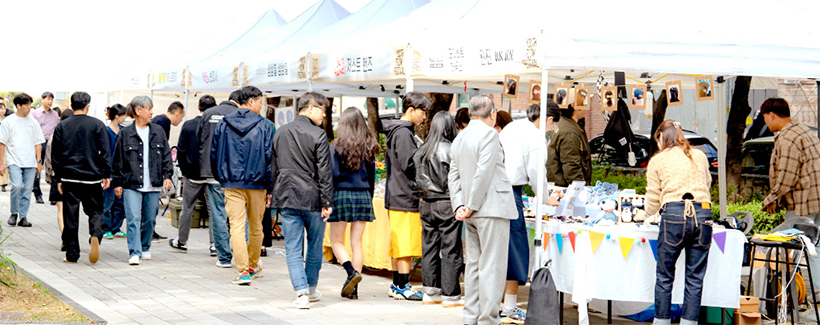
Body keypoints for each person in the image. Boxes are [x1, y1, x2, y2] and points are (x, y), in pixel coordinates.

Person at [448, 95, 517, 325]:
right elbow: (484, 172)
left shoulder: (460, 137)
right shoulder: (490, 134)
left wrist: (461, 205)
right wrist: (471, 205)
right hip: (491, 207)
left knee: (474, 266)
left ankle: (471, 317)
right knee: (492, 268)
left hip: (471, 211)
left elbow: (453, 175)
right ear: (492, 113)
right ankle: (488, 320)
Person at [496, 102, 560, 323]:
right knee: (516, 249)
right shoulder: (535, 136)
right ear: (549, 119)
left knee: (498, 249)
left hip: (496, 191)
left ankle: (496, 305)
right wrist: (545, 197)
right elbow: (536, 171)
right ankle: (509, 308)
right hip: (511, 193)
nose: (551, 129)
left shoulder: (512, 127)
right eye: (553, 125)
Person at [645, 120, 712, 325]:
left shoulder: (658, 160)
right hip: (703, 214)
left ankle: (662, 321)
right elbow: (707, 184)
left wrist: (645, 214)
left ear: (661, 138)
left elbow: (653, 198)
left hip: (674, 214)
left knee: (665, 276)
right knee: (695, 277)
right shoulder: (700, 156)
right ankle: (689, 322)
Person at [272, 92, 333, 309]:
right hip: (313, 196)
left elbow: (273, 167)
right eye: (322, 110)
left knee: (292, 246)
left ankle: (301, 293)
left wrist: (272, 191)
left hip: (286, 194)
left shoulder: (280, 132)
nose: (324, 115)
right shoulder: (318, 135)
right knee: (315, 244)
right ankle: (312, 288)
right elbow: (325, 171)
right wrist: (327, 202)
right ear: (310, 108)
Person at [212, 86, 274, 285]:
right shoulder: (265, 126)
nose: (261, 106)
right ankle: (252, 265)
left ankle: (243, 271)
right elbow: (270, 158)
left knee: (236, 226)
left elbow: (214, 153)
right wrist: (270, 187)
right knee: (256, 226)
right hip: (257, 183)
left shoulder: (223, 124)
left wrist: (222, 178)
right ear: (251, 102)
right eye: (260, 102)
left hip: (231, 182)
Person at [759, 98, 820, 294]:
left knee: (791, 249)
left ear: (771, 115)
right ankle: (817, 292)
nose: (765, 123)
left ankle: (792, 295)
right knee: (815, 246)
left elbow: (787, 176)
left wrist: (771, 198)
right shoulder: (805, 131)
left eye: (764, 118)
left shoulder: (788, 138)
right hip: (816, 199)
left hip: (801, 203)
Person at [51, 92, 111, 264]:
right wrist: (106, 174)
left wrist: (59, 178)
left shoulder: (62, 126)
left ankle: (72, 254)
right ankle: (95, 234)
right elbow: (105, 152)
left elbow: (56, 155)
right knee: (96, 211)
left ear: (71, 106)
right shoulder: (98, 125)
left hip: (70, 177)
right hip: (92, 177)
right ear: (87, 106)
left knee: (70, 216)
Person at [112, 96, 173, 266]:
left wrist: (167, 176)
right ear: (138, 111)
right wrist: (117, 183)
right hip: (131, 183)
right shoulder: (125, 133)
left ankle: (145, 246)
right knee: (133, 218)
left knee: (150, 219)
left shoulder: (158, 131)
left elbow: (166, 156)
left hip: (153, 183)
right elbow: (117, 160)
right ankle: (135, 252)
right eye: (148, 108)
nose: (152, 112)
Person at [413, 111, 464, 307]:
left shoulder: (421, 150)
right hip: (447, 202)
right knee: (450, 248)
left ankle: (430, 291)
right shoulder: (452, 149)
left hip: (425, 202)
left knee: (429, 247)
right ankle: (450, 294)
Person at [383, 91, 430, 301]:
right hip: (404, 194)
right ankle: (403, 286)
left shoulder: (398, 130)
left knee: (398, 243)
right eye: (423, 112)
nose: (424, 117)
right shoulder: (403, 133)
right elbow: (409, 165)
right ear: (411, 110)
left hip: (397, 193)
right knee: (405, 243)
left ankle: (396, 285)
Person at [328, 107, 379, 300]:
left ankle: (351, 272)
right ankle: (354, 290)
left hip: (341, 194)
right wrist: (369, 197)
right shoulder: (369, 146)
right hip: (363, 195)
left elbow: (332, 174)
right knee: (357, 243)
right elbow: (372, 177)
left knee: (336, 241)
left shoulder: (336, 146)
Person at [196, 90, 240, 268]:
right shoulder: (240, 114)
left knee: (218, 214)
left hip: (212, 172)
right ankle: (242, 255)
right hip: (236, 175)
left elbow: (200, 138)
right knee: (239, 216)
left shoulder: (208, 113)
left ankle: (224, 257)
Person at [170, 95, 217, 254]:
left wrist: (185, 170)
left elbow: (181, 150)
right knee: (214, 211)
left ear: (198, 106)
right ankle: (214, 244)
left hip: (192, 174)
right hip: (212, 174)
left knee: (187, 208)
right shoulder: (217, 125)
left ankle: (182, 241)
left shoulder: (189, 125)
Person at [1, 93, 45, 228]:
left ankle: (23, 217)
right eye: (26, 105)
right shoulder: (8, 122)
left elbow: (38, 143)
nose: (29, 107)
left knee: (27, 189)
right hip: (13, 160)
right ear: (18, 106)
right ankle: (14, 213)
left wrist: (39, 161)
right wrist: (1, 163)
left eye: (30, 105)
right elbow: (2, 143)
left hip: (30, 161)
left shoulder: (33, 122)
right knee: (17, 186)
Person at [44, 108, 75, 233]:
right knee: (73, 209)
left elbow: (48, 158)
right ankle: (71, 234)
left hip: (58, 176)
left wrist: (49, 177)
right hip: (74, 176)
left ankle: (64, 234)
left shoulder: (55, 135)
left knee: (60, 209)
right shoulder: (77, 135)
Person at [547, 104, 591, 187]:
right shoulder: (569, 132)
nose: (586, 108)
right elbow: (571, 165)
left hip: (554, 185)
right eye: (583, 102)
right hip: (564, 188)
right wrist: (579, 189)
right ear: (574, 105)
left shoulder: (559, 124)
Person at [102, 105, 127, 240]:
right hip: (110, 172)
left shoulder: (123, 131)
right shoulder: (106, 131)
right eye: (123, 115)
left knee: (120, 202)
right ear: (117, 115)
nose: (125, 117)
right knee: (108, 201)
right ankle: (106, 228)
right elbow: (105, 153)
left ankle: (116, 227)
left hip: (122, 172)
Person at [31, 91, 59, 204]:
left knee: (53, 169)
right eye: (48, 99)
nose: (50, 101)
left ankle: (53, 196)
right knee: (38, 168)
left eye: (51, 99)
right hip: (39, 143)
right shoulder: (35, 114)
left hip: (52, 143)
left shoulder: (55, 114)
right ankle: (38, 194)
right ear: (42, 99)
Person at [0, 101, 11, 192]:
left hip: (4, 143)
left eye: (3, 108)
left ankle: (3, 183)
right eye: (0, 109)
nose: (2, 110)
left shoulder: (8, 120)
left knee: (3, 162)